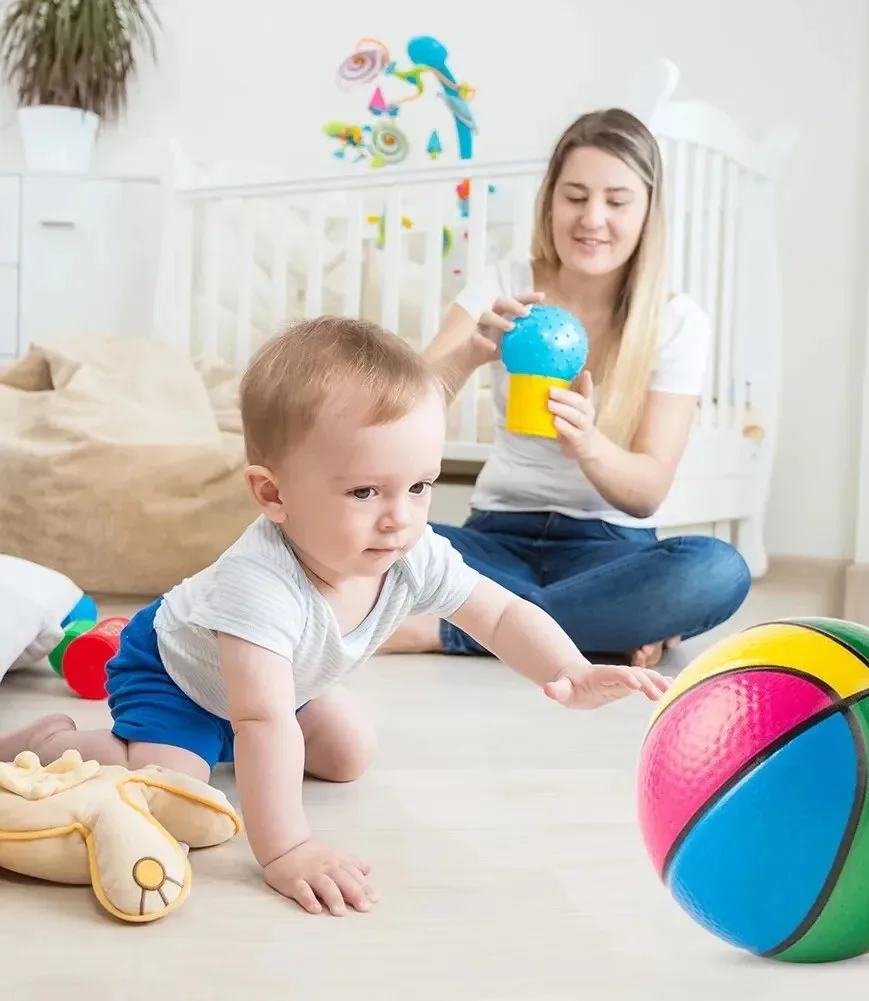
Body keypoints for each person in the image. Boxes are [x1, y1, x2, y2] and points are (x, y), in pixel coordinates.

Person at [0, 317, 669, 918]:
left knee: (347, 751)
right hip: (176, 672)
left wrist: (570, 669)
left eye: (419, 485)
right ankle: (54, 741)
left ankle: (224, 747)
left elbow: (498, 613)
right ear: (272, 494)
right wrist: (287, 847)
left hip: (278, 682)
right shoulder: (257, 585)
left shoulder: (409, 548)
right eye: (364, 490)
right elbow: (261, 721)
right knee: (176, 789)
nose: (399, 515)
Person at [379, 108, 752, 667]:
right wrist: (471, 351)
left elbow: (647, 491)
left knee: (717, 570)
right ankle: (597, 625)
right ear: (550, 201)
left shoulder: (677, 322)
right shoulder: (506, 281)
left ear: (648, 210)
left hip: (608, 550)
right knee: (360, 535)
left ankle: (449, 629)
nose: (592, 218)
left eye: (616, 201)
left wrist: (590, 446)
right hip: (495, 539)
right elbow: (402, 415)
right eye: (575, 197)